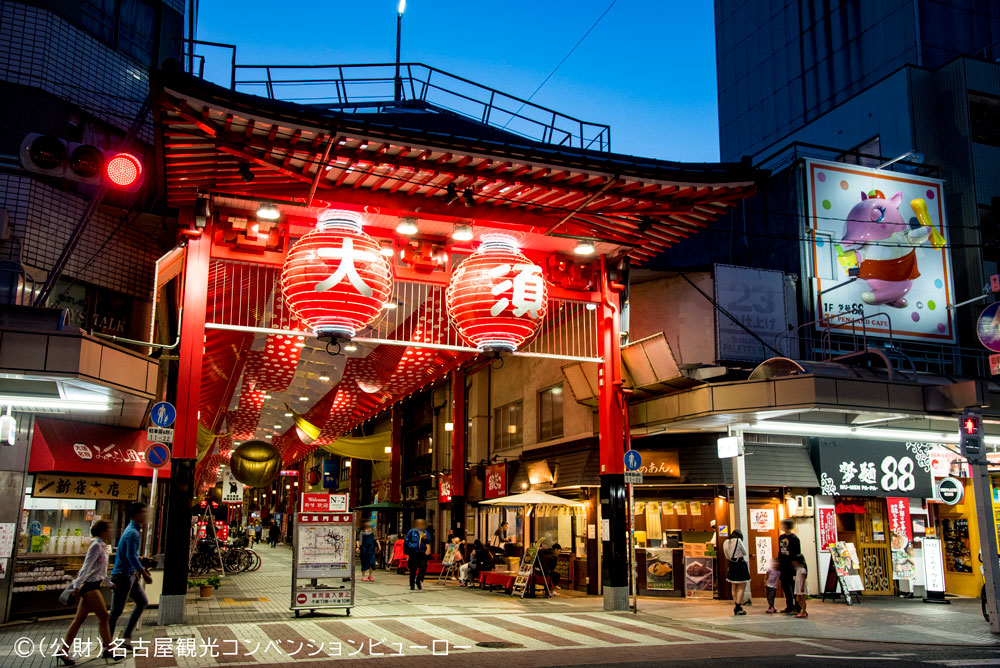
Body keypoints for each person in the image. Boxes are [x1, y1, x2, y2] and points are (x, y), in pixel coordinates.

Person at [57, 520, 122, 665]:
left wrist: (109, 584)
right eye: (109, 529)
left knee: (79, 620)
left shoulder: (102, 546)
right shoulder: (96, 546)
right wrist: (77, 586)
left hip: (92, 585)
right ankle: (110, 649)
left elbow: (100, 570)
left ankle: (63, 651)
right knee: (104, 616)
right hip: (89, 586)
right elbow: (86, 567)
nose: (111, 531)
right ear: (103, 531)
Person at [108, 502, 153, 651]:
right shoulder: (132, 532)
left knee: (142, 602)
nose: (147, 516)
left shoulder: (132, 530)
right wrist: (144, 573)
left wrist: (140, 568)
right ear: (136, 515)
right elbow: (130, 556)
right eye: (144, 513)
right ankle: (107, 644)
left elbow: (132, 556)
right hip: (123, 576)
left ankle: (126, 638)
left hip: (129, 575)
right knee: (116, 612)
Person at [722, 529, 751, 616]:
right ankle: (738, 607)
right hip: (740, 564)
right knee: (741, 587)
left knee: (733, 587)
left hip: (731, 565)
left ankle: (737, 605)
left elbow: (726, 555)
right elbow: (744, 552)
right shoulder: (738, 541)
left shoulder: (726, 542)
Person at [778, 519, 801, 614]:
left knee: (794, 587)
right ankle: (789, 606)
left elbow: (797, 554)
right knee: (786, 587)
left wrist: (796, 571)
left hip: (792, 566)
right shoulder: (781, 537)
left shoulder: (795, 539)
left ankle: (798, 606)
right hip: (784, 566)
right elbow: (780, 552)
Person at [404, 519, 430, 590]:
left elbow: (428, 541)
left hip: (421, 552)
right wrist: (408, 549)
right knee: (413, 569)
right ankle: (412, 585)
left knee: (423, 568)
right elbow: (406, 541)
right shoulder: (412, 531)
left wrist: (425, 539)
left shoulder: (425, 532)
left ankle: (418, 580)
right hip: (413, 552)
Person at [792, 554, 809, 618]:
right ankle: (804, 610)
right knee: (797, 599)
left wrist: (802, 587)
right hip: (798, 585)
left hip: (801, 585)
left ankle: (803, 611)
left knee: (802, 599)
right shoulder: (798, 569)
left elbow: (804, 579)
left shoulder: (803, 569)